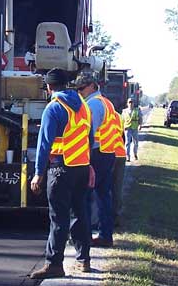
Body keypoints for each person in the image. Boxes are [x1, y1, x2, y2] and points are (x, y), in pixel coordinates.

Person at [29, 68, 92, 279]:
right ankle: (83, 260)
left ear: (49, 86)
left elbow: (44, 144)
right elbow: (88, 138)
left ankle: (54, 264)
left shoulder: (54, 107)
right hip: (81, 167)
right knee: (80, 214)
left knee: (59, 217)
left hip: (61, 168)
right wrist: (89, 164)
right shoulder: (83, 106)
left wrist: (38, 173)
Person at [76, 73, 116, 248]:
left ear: (92, 86)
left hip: (96, 154)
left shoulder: (92, 104)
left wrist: (85, 158)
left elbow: (88, 134)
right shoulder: (106, 102)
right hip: (107, 153)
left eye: (82, 88)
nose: (80, 91)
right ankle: (105, 235)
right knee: (103, 196)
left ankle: (84, 237)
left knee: (84, 195)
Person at [112, 110, 127, 226]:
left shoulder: (96, 112)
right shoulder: (118, 116)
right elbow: (123, 136)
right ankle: (116, 217)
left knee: (103, 189)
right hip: (120, 154)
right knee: (117, 187)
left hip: (107, 154)